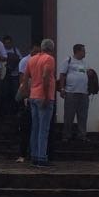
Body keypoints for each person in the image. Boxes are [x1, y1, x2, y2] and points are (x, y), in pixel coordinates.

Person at [23, 37, 57, 167]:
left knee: (35, 127)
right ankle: (42, 156)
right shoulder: (49, 59)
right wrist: (47, 97)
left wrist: (27, 93)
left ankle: (35, 155)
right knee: (44, 129)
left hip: (33, 95)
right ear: (51, 49)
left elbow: (25, 78)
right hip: (43, 96)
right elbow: (46, 77)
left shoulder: (32, 59)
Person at [59, 43, 91, 142]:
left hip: (84, 93)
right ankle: (66, 135)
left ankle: (82, 135)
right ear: (78, 51)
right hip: (71, 92)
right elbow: (62, 75)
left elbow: (87, 74)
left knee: (83, 115)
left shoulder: (84, 63)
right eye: (83, 50)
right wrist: (62, 88)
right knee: (69, 115)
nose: (85, 52)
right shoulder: (68, 61)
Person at [15, 42, 40, 163]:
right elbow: (22, 79)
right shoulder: (25, 61)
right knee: (25, 128)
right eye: (34, 51)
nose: (36, 53)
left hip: (36, 97)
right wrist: (25, 95)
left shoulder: (41, 61)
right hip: (27, 98)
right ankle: (23, 153)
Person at [0, 35, 22, 116]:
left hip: (14, 75)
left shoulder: (16, 50)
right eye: (6, 43)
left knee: (15, 94)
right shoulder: (1, 51)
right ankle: (4, 113)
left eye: (9, 43)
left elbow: (21, 60)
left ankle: (15, 112)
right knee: (4, 94)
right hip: (4, 76)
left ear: (11, 43)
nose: (7, 45)